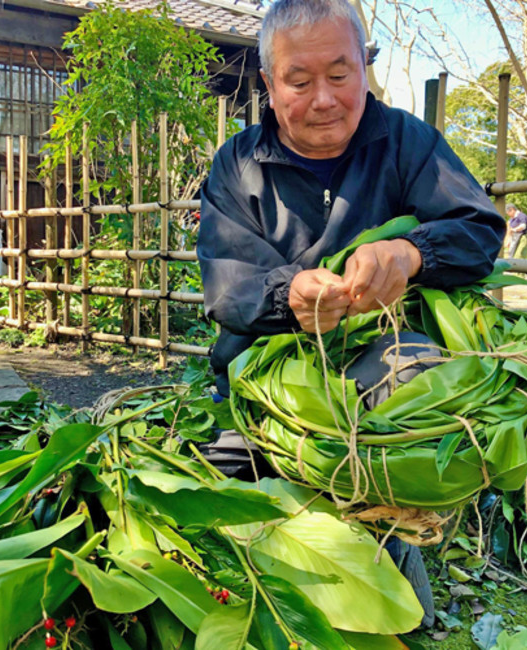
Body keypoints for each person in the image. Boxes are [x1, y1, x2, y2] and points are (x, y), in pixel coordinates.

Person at [196, 0, 506, 628]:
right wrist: (291, 294)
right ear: (270, 84)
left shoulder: (406, 141)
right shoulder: (238, 165)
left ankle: (390, 549)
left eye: (340, 76)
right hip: (263, 390)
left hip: (379, 379)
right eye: (299, 81)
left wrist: (409, 252)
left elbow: (480, 229)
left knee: (410, 388)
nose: (323, 100)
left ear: (364, 67)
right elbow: (227, 289)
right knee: (202, 519)